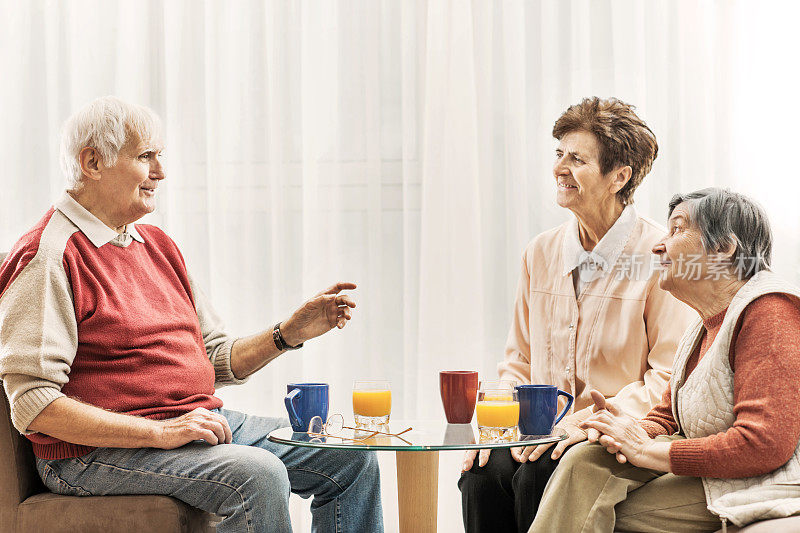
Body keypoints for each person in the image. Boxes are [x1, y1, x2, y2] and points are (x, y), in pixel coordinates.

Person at [0, 96, 383, 533]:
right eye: (146, 156)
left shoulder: (155, 244)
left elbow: (213, 358)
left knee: (350, 456)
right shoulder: (47, 255)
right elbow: (34, 404)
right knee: (258, 475)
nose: (160, 173)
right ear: (92, 161)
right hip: (90, 454)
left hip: (190, 425)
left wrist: (288, 334)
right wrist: (160, 435)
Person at [458, 97, 695, 533]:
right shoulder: (541, 252)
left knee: (538, 475)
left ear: (618, 177)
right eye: (559, 154)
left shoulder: (660, 258)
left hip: (610, 433)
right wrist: (496, 424)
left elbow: (666, 381)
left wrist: (583, 423)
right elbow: (518, 360)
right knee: (480, 474)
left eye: (577, 158)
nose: (559, 168)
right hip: (538, 433)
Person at [530, 188, 800, 533]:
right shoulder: (703, 325)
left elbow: (764, 445)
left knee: (590, 507)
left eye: (677, 229)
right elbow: (667, 416)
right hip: (717, 470)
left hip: (768, 478)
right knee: (587, 459)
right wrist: (623, 430)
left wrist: (645, 450)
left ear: (724, 248)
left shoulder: (770, 312)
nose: (658, 245)